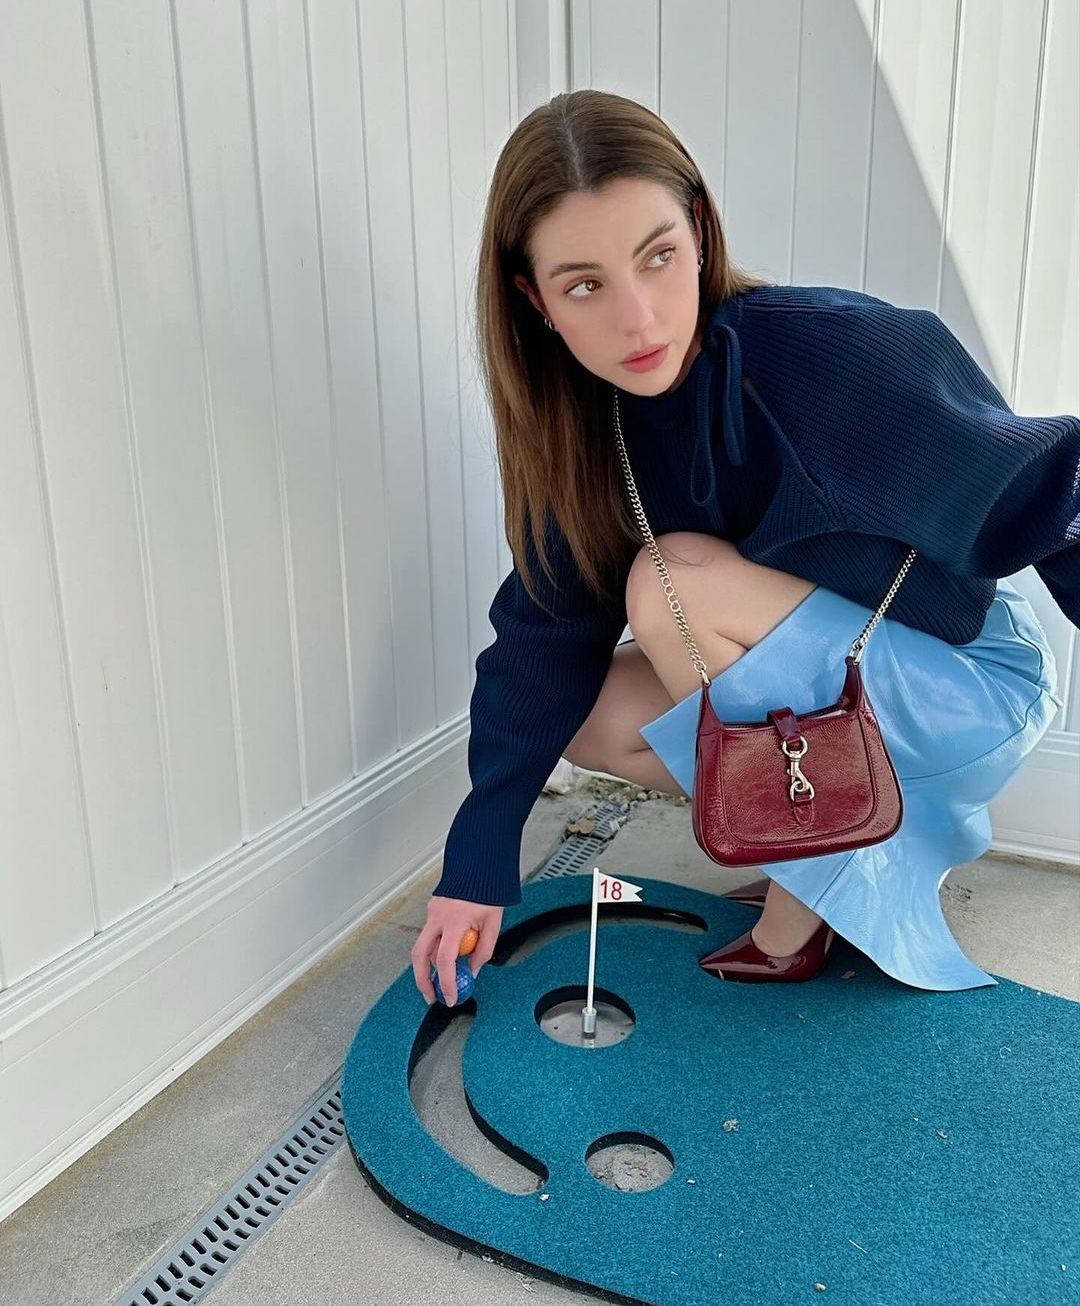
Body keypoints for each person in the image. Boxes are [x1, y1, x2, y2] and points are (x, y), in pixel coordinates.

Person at [412, 89, 1076, 1007]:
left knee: (672, 583)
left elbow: (1054, 489)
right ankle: (836, 842)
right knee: (585, 709)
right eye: (585, 285)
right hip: (853, 687)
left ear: (698, 229)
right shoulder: (586, 432)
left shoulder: (825, 353)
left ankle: (807, 897)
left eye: (657, 257)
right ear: (536, 300)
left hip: (969, 676)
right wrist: (475, 864)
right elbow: (540, 643)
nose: (639, 318)